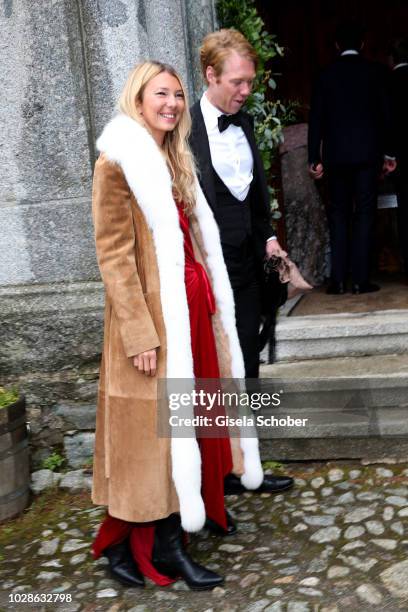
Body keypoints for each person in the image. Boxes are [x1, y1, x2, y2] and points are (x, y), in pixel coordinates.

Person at [90, 61, 266, 590]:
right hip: (151, 322)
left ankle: (160, 535)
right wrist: (140, 332)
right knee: (155, 438)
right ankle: (154, 545)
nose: (170, 103)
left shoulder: (174, 157)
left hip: (191, 315)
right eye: (160, 94)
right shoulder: (116, 163)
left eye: (177, 95)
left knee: (187, 428)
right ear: (138, 98)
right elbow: (114, 257)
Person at [190, 29, 294, 498]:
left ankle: (248, 464)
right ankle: (217, 473)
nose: (246, 91)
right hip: (208, 270)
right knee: (212, 369)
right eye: (237, 81)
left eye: (250, 81)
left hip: (249, 264)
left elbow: (255, 196)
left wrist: (270, 238)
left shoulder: (245, 124)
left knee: (248, 364)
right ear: (211, 75)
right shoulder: (182, 129)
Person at [308, 21, 396, 295]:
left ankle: (337, 281)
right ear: (361, 44)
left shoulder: (325, 75)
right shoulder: (375, 73)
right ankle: (360, 280)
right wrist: (389, 153)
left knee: (338, 215)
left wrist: (314, 158)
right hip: (368, 156)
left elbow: (316, 120)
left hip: (335, 158)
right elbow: (386, 116)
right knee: (365, 215)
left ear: (336, 45)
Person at [389, 37, 408, 281]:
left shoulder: (389, 81)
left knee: (405, 210)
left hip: (401, 157)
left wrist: (388, 154)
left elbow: (386, 121)